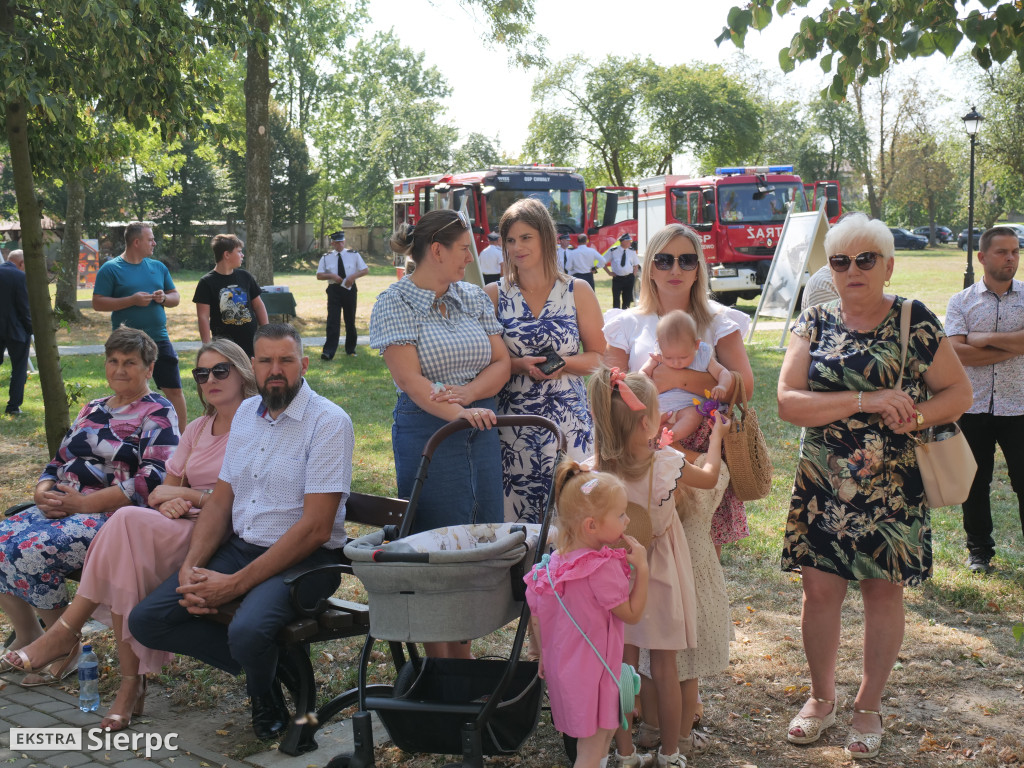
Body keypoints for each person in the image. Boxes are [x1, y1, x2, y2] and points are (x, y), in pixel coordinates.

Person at [777, 213, 971, 760]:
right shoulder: (812, 321)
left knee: (883, 594)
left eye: (866, 259)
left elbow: (959, 393)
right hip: (823, 484)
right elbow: (787, 401)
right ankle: (820, 698)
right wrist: (866, 400)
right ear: (830, 270)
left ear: (888, 265)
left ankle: (868, 703)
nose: (853, 269)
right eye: (841, 261)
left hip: (893, 487)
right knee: (819, 595)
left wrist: (915, 415)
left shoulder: (915, 318)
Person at [2, 339, 256, 730]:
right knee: (127, 541)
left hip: (221, 535)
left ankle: (71, 638)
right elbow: (159, 492)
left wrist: (186, 496)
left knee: (124, 525)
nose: (211, 380)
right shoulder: (200, 429)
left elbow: (243, 499)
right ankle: (123, 681)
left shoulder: (255, 428)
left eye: (221, 370)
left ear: (242, 373)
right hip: (178, 525)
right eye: (202, 373)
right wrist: (168, 501)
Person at [129, 323, 355, 740]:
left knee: (248, 630)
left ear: (303, 365)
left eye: (285, 360)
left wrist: (233, 585)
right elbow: (221, 501)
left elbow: (316, 528)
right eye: (265, 360)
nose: (275, 369)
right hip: (241, 547)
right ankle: (268, 672)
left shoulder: (328, 423)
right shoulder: (246, 420)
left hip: (307, 561)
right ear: (253, 366)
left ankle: (262, 689)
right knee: (148, 620)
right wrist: (191, 566)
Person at [0, 327, 178, 682]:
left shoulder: (158, 411)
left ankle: (63, 642)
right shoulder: (94, 407)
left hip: (111, 517)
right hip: (65, 506)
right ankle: (29, 634)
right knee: (2, 539)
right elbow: (57, 461)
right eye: (113, 361)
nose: (120, 369)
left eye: (130, 362)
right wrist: (42, 492)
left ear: (149, 367)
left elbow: (152, 479)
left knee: (33, 550)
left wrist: (84, 504)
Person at [369, 209, 510, 659]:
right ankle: (440, 667)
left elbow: (501, 363)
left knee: (475, 542)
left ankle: (462, 661)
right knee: (435, 546)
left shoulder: (472, 296)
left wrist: (468, 398)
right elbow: (411, 380)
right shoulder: (395, 302)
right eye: (464, 249)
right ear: (437, 251)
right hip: (427, 432)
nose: (471, 257)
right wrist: (455, 412)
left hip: (480, 429)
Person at [585, 366, 727, 768]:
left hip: (616, 572)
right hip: (661, 571)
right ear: (647, 420)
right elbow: (711, 476)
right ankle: (670, 752)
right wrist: (715, 437)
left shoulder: (595, 468)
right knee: (664, 666)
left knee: (622, 665)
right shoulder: (667, 461)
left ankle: (625, 751)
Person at [604, 223, 754, 558]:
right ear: (648, 269)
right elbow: (609, 389)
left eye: (686, 260)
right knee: (648, 556)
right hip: (642, 455)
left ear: (699, 268)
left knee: (700, 558)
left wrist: (676, 380)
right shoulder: (625, 323)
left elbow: (744, 387)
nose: (675, 269)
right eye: (664, 260)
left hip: (702, 454)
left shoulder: (719, 321)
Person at [484, 198, 604, 524]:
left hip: (569, 425)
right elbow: (481, 361)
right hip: (512, 429)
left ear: (545, 239)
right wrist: (518, 365)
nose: (516, 247)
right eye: (510, 240)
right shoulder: (493, 295)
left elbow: (599, 357)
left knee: (574, 520)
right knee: (515, 524)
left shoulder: (577, 290)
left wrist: (563, 364)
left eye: (526, 237)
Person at [525, 462, 650, 768]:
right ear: (591, 525)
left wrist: (542, 654)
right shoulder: (601, 569)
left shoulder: (553, 565)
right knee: (593, 752)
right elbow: (632, 614)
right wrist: (643, 569)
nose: (627, 519)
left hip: (565, 672)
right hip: (595, 676)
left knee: (590, 749)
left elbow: (538, 614)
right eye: (620, 515)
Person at [945, 225, 1024, 574]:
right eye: (1002, 251)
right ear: (981, 257)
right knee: (975, 482)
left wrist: (982, 338)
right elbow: (955, 352)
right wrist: (1011, 345)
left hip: (1020, 405)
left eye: (1015, 251)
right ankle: (979, 552)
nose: (1011, 258)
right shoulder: (960, 302)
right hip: (973, 406)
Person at [92, 222, 187, 429]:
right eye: (150, 239)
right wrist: (131, 300)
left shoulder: (158, 267)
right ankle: (127, 431)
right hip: (126, 343)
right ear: (136, 242)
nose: (154, 242)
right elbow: (98, 302)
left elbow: (175, 297)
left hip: (159, 339)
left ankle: (181, 439)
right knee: (127, 389)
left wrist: (164, 298)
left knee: (174, 390)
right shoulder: (111, 269)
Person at [639, 310, 731, 443]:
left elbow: (723, 372)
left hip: (686, 407)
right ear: (660, 345)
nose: (676, 363)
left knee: (693, 415)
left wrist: (722, 385)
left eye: (683, 357)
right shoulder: (658, 355)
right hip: (659, 406)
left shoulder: (702, 355)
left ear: (696, 345)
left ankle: (671, 436)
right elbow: (643, 373)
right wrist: (646, 383)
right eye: (669, 357)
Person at [193, 234, 268, 358]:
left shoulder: (245, 277)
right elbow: (203, 317)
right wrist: (206, 346)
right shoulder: (206, 282)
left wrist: (266, 333)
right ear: (226, 255)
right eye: (239, 251)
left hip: (251, 343)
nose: (242, 255)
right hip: (224, 347)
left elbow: (258, 306)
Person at [316, 230, 369, 360]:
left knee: (350, 319)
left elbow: (365, 270)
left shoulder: (353, 255)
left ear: (344, 242)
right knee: (333, 320)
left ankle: (351, 348)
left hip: (349, 289)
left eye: (341, 242)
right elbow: (319, 275)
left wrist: (353, 277)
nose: (339, 244)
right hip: (334, 290)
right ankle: (328, 351)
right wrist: (332, 276)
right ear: (332, 243)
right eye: (337, 242)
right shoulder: (326, 257)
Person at [0, 249, 31, 416]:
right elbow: (24, 307)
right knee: (19, 368)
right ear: (21, 263)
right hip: (16, 330)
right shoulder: (20, 277)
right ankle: (13, 406)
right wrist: (31, 328)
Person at [604, 233, 640, 310]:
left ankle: (625, 316)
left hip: (629, 278)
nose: (630, 243)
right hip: (617, 278)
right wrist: (609, 272)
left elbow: (636, 264)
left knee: (627, 300)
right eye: (628, 241)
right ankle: (616, 315)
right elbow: (603, 262)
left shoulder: (632, 251)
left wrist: (633, 275)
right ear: (622, 241)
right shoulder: (613, 250)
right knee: (616, 299)